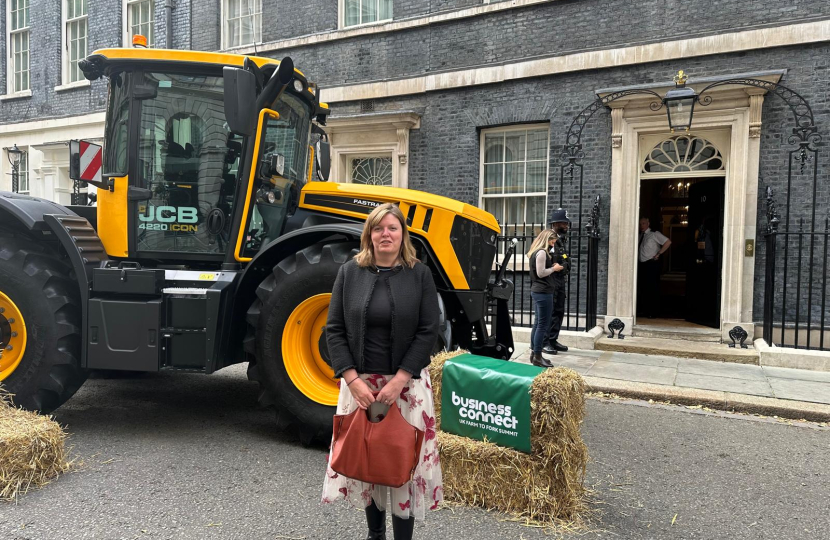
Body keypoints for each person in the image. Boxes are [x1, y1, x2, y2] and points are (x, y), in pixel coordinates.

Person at [322, 203, 443, 540]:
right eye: (378, 228)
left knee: (402, 463)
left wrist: (400, 380)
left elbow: (427, 331)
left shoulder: (419, 274)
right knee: (367, 464)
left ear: (402, 234)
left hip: (406, 387)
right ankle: (374, 535)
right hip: (360, 386)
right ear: (369, 235)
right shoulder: (349, 272)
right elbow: (334, 329)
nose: (385, 234)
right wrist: (352, 380)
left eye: (392, 228)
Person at [527, 228, 562, 368]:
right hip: (543, 292)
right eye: (552, 241)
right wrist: (555, 268)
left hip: (540, 291)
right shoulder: (541, 252)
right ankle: (537, 356)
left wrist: (551, 265)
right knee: (542, 325)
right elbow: (541, 273)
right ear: (546, 239)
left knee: (538, 324)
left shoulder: (537, 252)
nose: (553, 244)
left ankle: (534, 354)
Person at [543, 208, 572, 355]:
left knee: (559, 311)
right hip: (552, 280)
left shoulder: (561, 240)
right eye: (564, 223)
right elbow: (542, 259)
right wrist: (553, 267)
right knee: (550, 311)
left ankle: (553, 339)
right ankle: (545, 342)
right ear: (556, 223)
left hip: (561, 280)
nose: (566, 226)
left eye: (567, 223)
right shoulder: (549, 240)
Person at [637, 217, 671, 318]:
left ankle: (654, 312)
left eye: (643, 223)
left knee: (652, 288)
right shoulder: (640, 236)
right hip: (642, 265)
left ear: (648, 223)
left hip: (651, 264)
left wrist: (659, 254)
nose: (641, 226)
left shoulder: (654, 234)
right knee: (643, 288)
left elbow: (668, 242)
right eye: (640, 224)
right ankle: (644, 310)